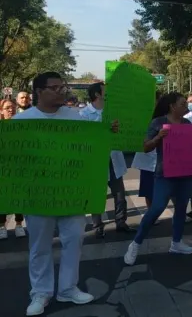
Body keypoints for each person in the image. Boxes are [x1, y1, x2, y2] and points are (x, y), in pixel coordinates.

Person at [13, 72, 115, 316]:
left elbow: (93, 143)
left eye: (63, 87)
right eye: (55, 87)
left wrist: (109, 131)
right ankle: (41, 292)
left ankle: (68, 288)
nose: (61, 91)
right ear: (38, 91)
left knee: (74, 240)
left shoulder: (76, 117)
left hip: (72, 193)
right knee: (40, 246)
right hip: (37, 195)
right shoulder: (21, 121)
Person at [124, 92, 192, 266]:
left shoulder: (187, 123)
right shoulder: (157, 123)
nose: (186, 107)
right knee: (156, 208)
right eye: (182, 104)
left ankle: (177, 242)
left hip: (186, 173)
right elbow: (145, 147)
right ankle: (136, 244)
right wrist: (158, 137)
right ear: (172, 106)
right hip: (165, 173)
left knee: (181, 208)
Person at [79, 82, 132, 238]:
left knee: (120, 194)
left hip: (113, 157)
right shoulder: (84, 114)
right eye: (105, 91)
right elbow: (84, 136)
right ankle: (97, 225)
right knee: (97, 194)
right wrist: (104, 126)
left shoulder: (113, 112)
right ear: (97, 94)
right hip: (96, 159)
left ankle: (121, 222)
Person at [0, 98, 26, 240]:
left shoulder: (23, 127)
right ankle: (2, 226)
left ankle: (19, 225)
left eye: (13, 108)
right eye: (7, 108)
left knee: (18, 197)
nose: (11, 110)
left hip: (19, 168)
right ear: (1, 111)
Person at [133, 91, 163, 210]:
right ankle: (150, 213)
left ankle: (178, 213)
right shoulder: (141, 115)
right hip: (147, 157)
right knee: (148, 188)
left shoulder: (165, 116)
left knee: (170, 186)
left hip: (163, 156)